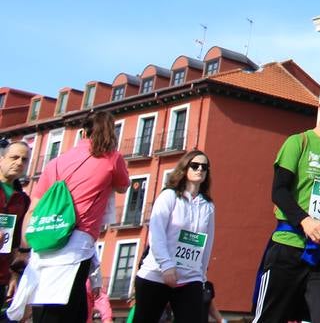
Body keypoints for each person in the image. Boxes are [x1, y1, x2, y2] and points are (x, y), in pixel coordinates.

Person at [253, 85, 320, 323]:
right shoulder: (298, 143)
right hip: (289, 247)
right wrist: (305, 221)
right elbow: (279, 191)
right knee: (271, 317)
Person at [18, 112, 130, 323]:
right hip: (78, 239)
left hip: (46, 238)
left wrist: (25, 248)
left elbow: (34, 207)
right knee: (69, 303)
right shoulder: (112, 159)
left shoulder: (56, 163)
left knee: (47, 299)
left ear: (82, 132)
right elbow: (123, 186)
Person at [133, 151, 216, 323]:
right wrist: (166, 266)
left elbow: (207, 242)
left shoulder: (208, 206)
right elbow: (156, 233)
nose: (200, 169)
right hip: (156, 274)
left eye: (204, 167)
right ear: (185, 168)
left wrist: (202, 275)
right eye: (195, 165)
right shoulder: (169, 196)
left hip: (190, 277)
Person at [1, 139, 32, 313]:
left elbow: (16, 243)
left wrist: (14, 274)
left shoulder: (23, 200)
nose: (19, 162)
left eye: (24, 159)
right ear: (1, 159)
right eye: (14, 157)